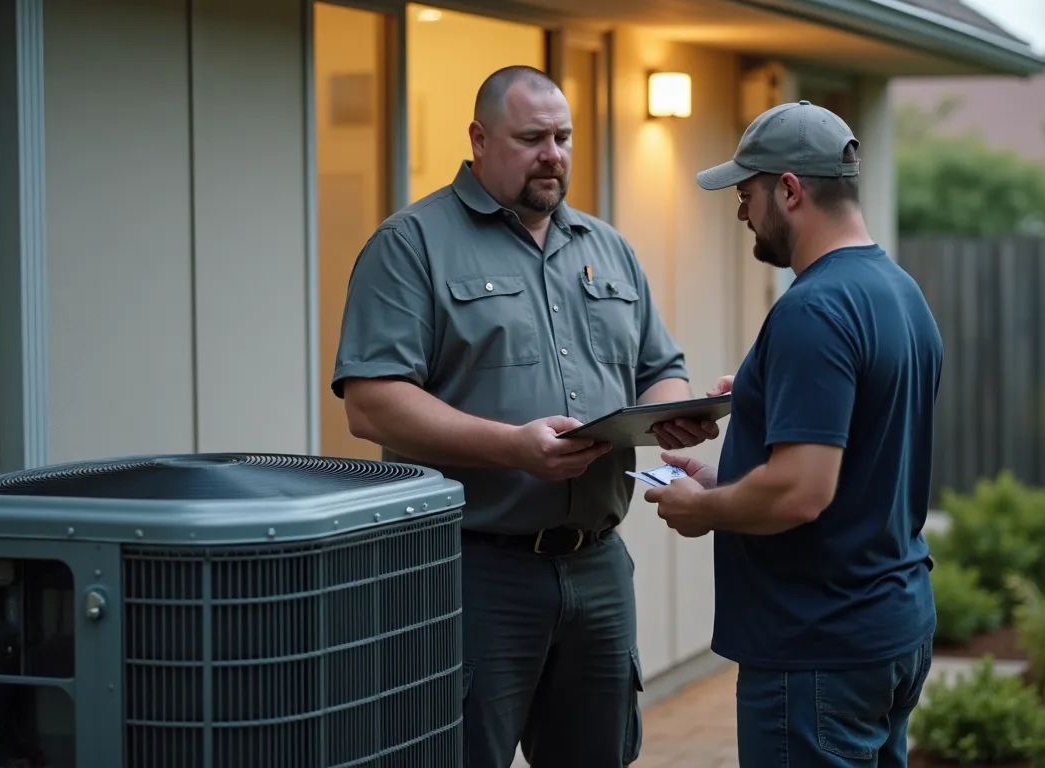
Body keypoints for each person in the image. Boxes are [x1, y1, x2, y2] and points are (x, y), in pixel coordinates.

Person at [330, 65, 719, 767]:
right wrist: (513, 447)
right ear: (479, 139)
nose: (554, 154)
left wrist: (669, 419)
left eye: (564, 137)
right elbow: (372, 401)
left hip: (598, 567)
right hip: (475, 572)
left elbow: (659, 371)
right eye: (532, 137)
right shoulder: (412, 243)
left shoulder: (608, 249)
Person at [642, 101, 943, 767]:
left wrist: (703, 510)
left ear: (789, 189)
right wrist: (729, 477)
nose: (742, 211)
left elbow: (803, 492)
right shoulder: (899, 292)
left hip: (818, 648)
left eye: (747, 193)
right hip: (888, 626)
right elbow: (860, 462)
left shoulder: (815, 309)